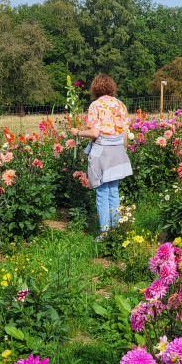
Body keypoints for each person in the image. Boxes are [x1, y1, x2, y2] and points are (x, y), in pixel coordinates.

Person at [70, 74, 133, 241]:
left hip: (102, 152)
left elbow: (94, 133)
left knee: (102, 192)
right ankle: (116, 230)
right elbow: (125, 133)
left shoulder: (95, 105)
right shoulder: (120, 105)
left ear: (95, 88)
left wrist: (77, 132)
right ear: (112, 87)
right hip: (118, 150)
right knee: (114, 191)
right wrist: (122, 151)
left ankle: (104, 232)